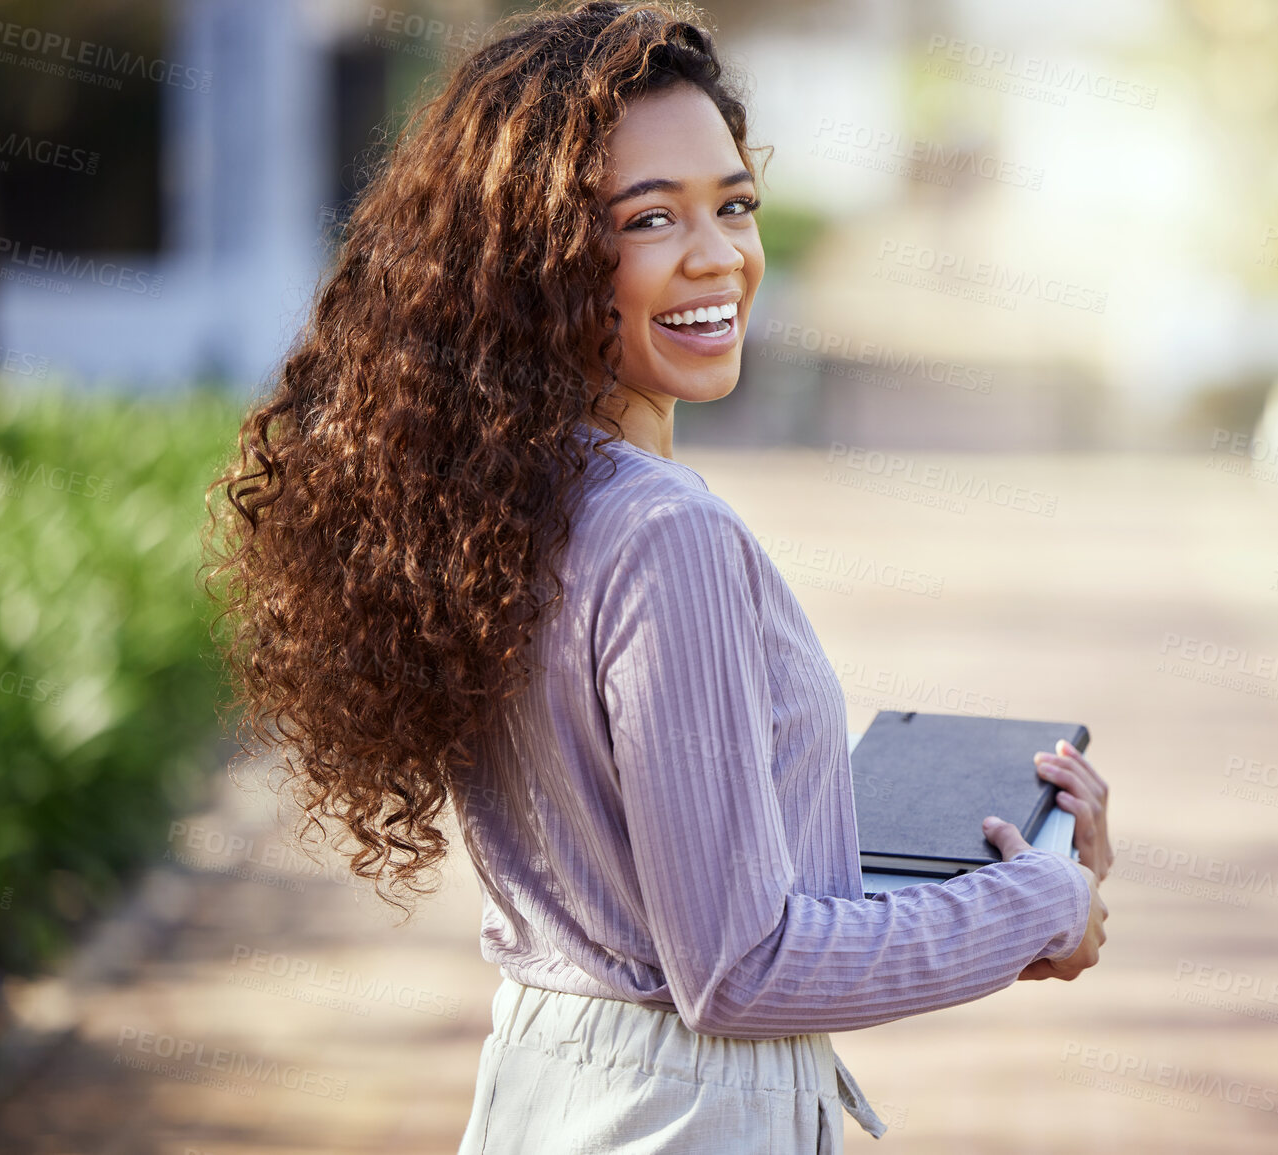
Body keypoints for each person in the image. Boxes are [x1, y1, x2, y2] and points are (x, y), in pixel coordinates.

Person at [202, 2, 1111, 1151]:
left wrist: (980, 890)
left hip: (548, 1084)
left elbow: (675, 900)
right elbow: (737, 968)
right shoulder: (659, 532)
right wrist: (1039, 900)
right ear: (536, 257)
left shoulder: (498, 507)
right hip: (680, 1115)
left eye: (734, 205)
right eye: (649, 219)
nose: (718, 255)